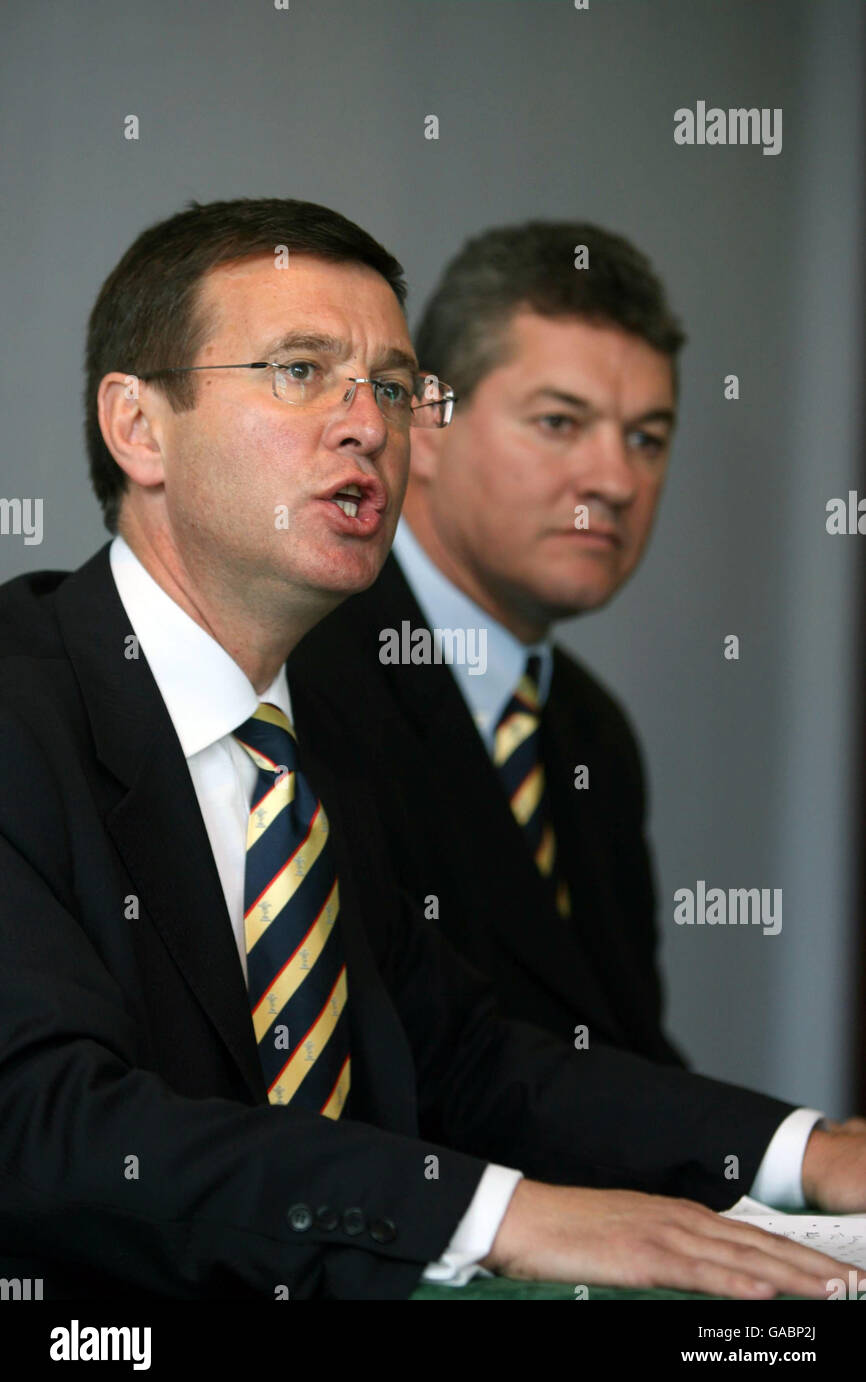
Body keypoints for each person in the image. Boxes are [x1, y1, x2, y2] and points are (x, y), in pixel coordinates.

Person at [1, 197, 864, 1303]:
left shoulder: (314, 741)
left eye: (394, 388)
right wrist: (499, 1216)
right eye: (300, 370)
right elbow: (49, 1126)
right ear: (138, 426)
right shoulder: (22, 709)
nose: (368, 424)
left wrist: (805, 1151)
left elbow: (467, 1059)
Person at [291, 221, 690, 1066]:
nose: (614, 481)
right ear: (425, 427)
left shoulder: (593, 732)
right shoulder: (301, 677)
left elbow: (622, 1060)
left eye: (647, 438)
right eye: (559, 421)